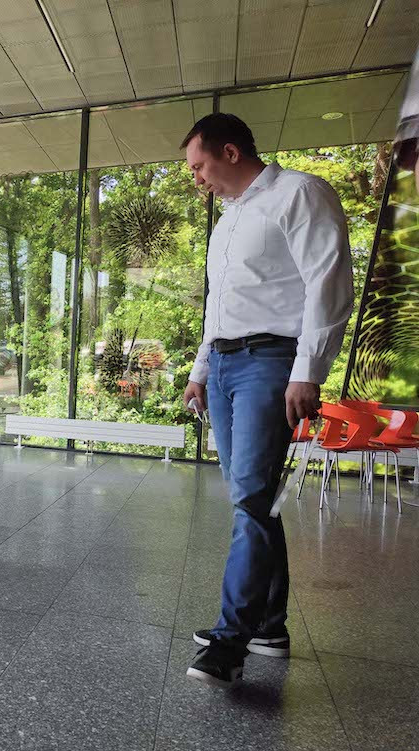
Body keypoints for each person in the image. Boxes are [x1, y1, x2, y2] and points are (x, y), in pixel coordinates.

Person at [180, 113, 353, 687]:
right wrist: (201, 369)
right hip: (226, 365)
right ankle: (269, 628)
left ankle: (230, 643)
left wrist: (307, 371)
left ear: (230, 152)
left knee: (251, 500)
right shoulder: (229, 219)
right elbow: (218, 304)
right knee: (251, 499)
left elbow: (328, 284)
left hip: (271, 361)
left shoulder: (299, 194)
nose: (196, 178)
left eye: (199, 166)